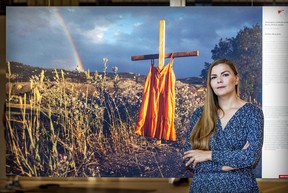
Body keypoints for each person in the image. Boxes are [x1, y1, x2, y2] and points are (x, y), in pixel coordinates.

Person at [182, 58, 264, 192]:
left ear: (236, 79)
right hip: (202, 188)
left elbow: (250, 157)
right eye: (214, 77)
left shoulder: (253, 113)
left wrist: (208, 155)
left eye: (225, 75)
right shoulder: (199, 114)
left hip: (241, 188)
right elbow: (189, 159)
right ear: (210, 83)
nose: (219, 80)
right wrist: (226, 166)